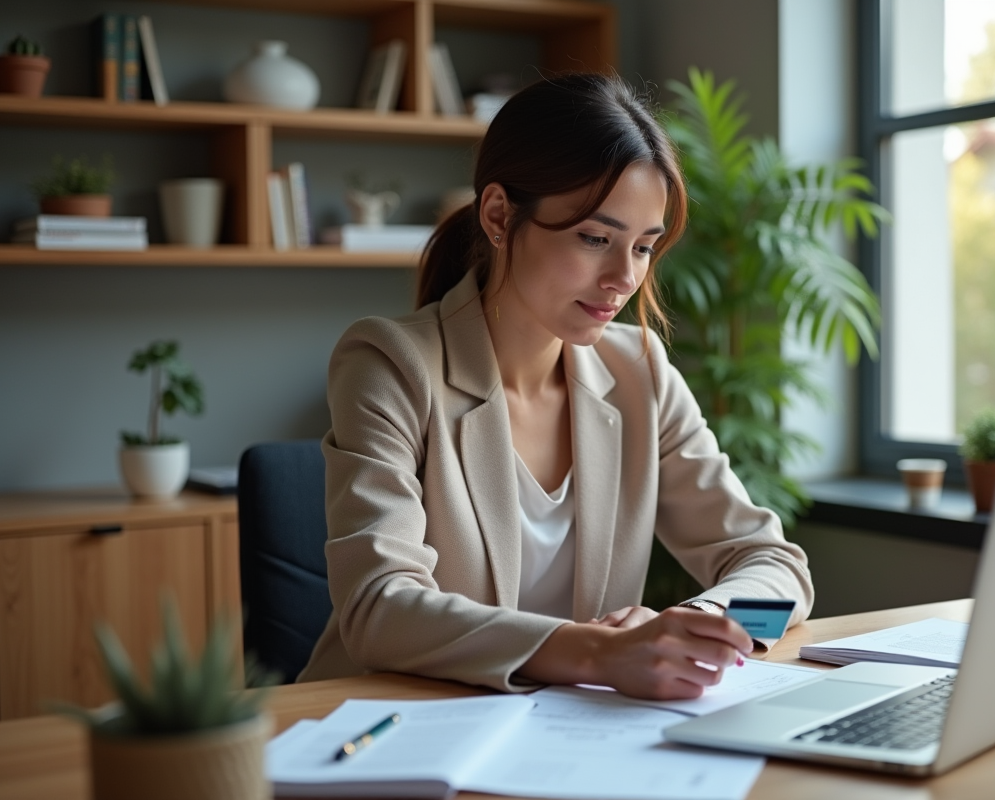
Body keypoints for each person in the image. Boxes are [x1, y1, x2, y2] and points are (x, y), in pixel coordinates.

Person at [298, 73, 813, 700]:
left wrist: (703, 626)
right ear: (497, 215)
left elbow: (778, 570)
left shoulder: (641, 373)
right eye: (595, 238)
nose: (623, 278)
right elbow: (379, 607)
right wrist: (599, 653)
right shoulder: (391, 363)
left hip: (559, 735)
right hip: (386, 727)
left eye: (644, 247)